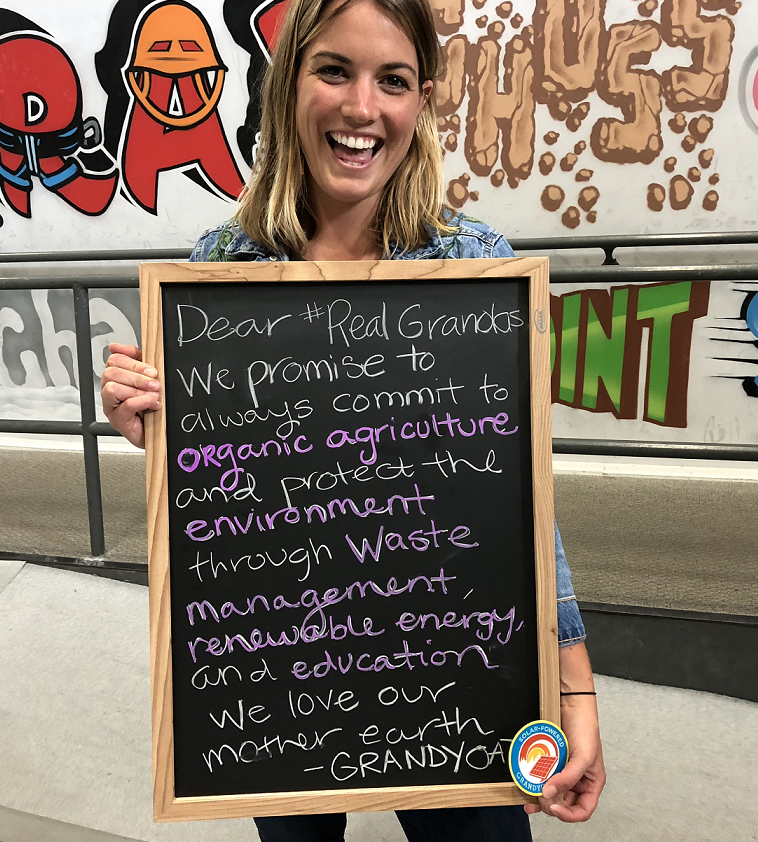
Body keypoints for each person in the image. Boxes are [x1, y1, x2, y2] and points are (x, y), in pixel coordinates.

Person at [101, 0, 606, 838]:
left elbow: (521, 508)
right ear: (288, 82)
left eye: (394, 81)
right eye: (334, 70)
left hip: (461, 668)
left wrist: (576, 683)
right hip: (274, 672)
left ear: (423, 100)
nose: (362, 108)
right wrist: (154, 429)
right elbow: (215, 501)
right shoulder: (218, 274)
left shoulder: (474, 268)